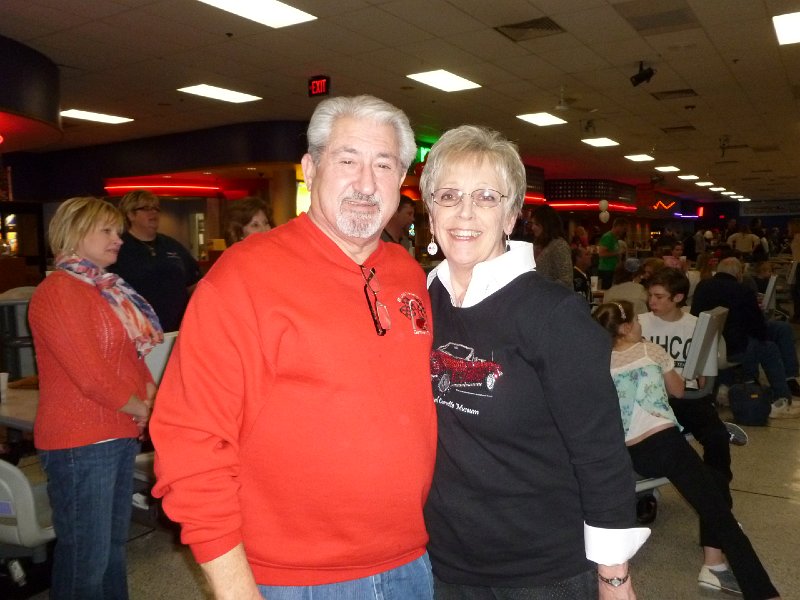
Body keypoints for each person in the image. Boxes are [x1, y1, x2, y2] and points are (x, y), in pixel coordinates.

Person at [149, 95, 437, 600]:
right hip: (293, 580)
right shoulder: (244, 277)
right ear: (310, 168)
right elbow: (190, 443)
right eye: (347, 161)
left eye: (384, 165)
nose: (366, 183)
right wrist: (237, 592)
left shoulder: (409, 275)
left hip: (411, 562)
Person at [420, 124, 648, 600]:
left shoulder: (553, 315)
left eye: (486, 197)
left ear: (511, 215)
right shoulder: (420, 302)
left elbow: (600, 453)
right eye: (448, 195)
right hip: (444, 562)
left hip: (542, 571)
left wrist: (614, 578)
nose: (464, 212)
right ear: (429, 209)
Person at [593, 301, 781, 600]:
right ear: (627, 327)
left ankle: (718, 566)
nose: (643, 324)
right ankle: (761, 591)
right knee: (721, 514)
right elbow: (679, 391)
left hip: (629, 454)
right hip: (666, 444)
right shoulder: (650, 350)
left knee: (714, 486)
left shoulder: (596, 362)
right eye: (637, 321)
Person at [28, 196, 161, 599]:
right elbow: (90, 375)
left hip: (115, 433)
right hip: (80, 442)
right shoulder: (58, 292)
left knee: (111, 551)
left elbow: (126, 356)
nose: (117, 239)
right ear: (73, 233)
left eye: (118, 232)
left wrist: (149, 394)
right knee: (86, 559)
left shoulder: (105, 290)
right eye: (106, 231)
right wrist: (143, 409)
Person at [691, 257, 800, 419]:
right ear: (739, 273)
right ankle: (782, 397)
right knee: (769, 347)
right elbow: (757, 326)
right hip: (734, 346)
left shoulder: (702, 286)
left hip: (713, 341)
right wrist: (762, 338)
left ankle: (789, 378)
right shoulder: (742, 290)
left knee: (781, 328)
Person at [109, 190, 201, 332]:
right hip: (139, 331)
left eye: (156, 208)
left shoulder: (172, 245)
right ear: (130, 214)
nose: (153, 213)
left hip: (178, 329)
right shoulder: (118, 248)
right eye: (146, 208)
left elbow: (194, 283)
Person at [531, 203, 572, 287]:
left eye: (537, 224)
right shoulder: (537, 245)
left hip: (553, 297)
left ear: (546, 225)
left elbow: (566, 280)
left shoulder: (559, 245)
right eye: (532, 224)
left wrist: (546, 289)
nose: (533, 227)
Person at [597, 218, 629, 290]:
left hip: (611, 269)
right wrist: (618, 252)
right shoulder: (608, 237)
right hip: (606, 270)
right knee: (605, 291)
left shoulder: (614, 238)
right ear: (618, 226)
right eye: (624, 228)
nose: (624, 231)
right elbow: (601, 254)